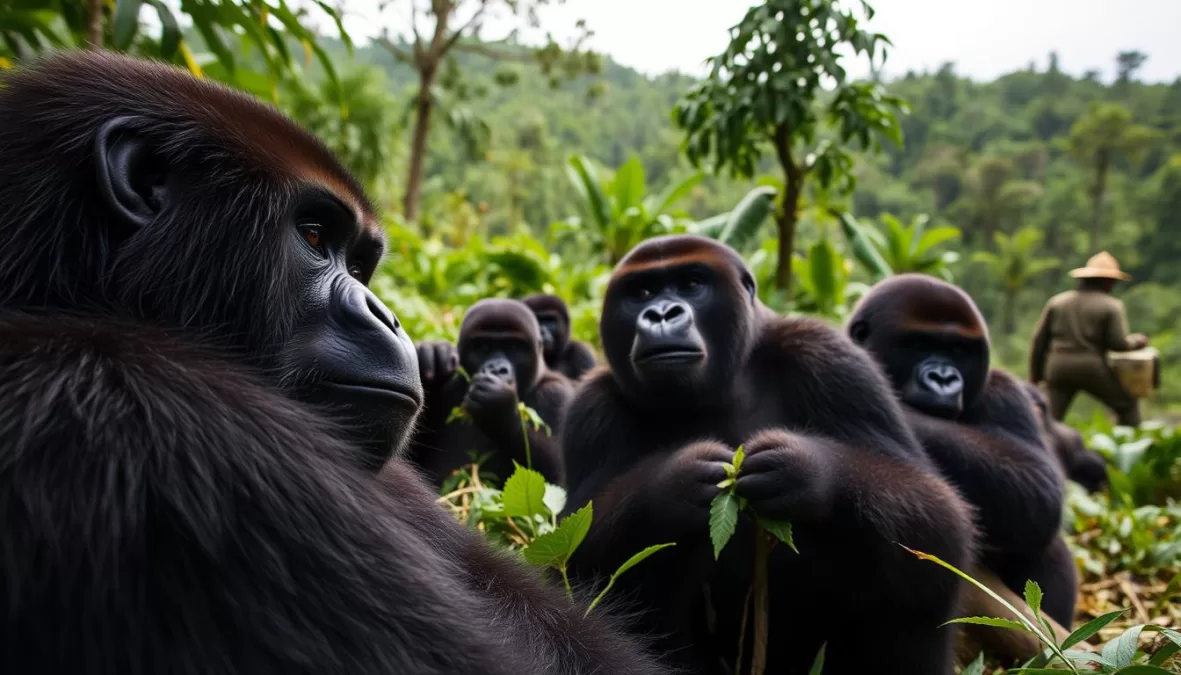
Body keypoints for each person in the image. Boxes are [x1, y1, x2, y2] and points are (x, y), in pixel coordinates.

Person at [1029, 251, 1148, 425]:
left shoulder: (1057, 302)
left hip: (1057, 367)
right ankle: (1132, 447)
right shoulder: (1111, 306)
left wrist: (1035, 374)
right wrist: (1138, 341)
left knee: (1050, 419)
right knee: (1127, 405)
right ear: (1107, 281)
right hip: (1091, 367)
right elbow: (1118, 343)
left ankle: (1044, 450)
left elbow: (1039, 341)